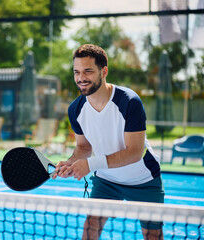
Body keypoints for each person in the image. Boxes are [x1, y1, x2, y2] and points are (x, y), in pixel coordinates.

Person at [52, 44, 165, 240]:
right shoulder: (75, 109)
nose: (81, 78)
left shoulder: (129, 101)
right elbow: (83, 147)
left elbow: (134, 152)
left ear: (104, 71)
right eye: (76, 72)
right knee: (90, 228)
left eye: (88, 71)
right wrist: (71, 162)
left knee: (152, 235)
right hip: (106, 180)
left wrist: (90, 164)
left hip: (143, 180)